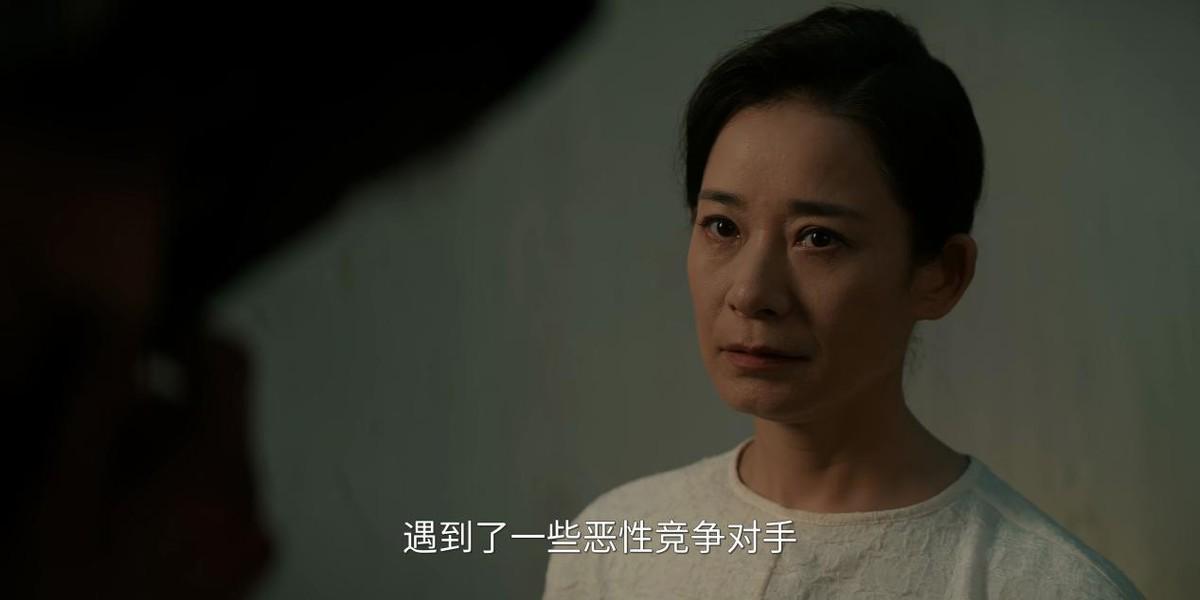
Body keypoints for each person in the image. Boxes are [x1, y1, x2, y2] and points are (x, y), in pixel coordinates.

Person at [543, 6, 1142, 599]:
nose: (751, 293)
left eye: (819, 238)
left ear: (942, 274)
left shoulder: (1043, 584)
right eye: (723, 227)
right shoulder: (613, 546)